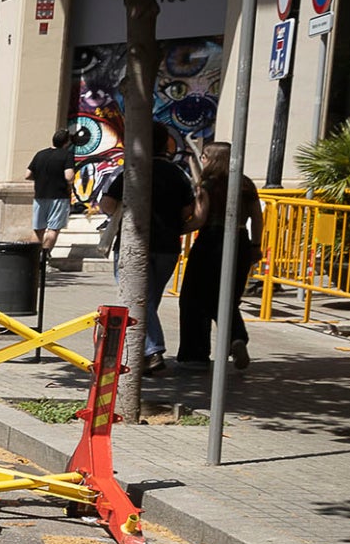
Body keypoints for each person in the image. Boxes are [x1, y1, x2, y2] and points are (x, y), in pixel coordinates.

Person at [95, 128, 196, 372]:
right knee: (149, 300)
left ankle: (153, 350)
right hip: (168, 247)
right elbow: (187, 211)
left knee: (139, 299)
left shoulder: (132, 172)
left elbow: (108, 205)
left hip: (134, 243)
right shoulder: (177, 174)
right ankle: (143, 352)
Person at [179, 141, 260, 368]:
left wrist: (176, 229)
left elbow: (200, 218)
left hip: (212, 239)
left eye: (204, 156)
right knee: (227, 296)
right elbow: (257, 216)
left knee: (194, 297)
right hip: (241, 242)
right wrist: (256, 245)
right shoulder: (244, 184)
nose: (202, 160)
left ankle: (195, 354)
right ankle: (236, 338)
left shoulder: (209, 184)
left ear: (212, 159)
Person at [26, 128, 77, 251]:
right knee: (53, 229)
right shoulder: (67, 155)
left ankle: (34, 258)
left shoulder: (40, 154)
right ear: (67, 142)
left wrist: (41, 179)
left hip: (40, 196)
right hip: (59, 196)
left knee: (38, 230)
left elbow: (27, 174)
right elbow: (68, 176)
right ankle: (45, 259)